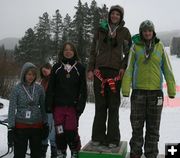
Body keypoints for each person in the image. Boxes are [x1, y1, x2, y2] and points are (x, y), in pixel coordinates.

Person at [122, 20, 176, 158]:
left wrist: (171, 89)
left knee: (153, 127)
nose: (147, 33)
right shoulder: (135, 47)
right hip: (138, 92)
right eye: (145, 30)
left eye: (150, 30)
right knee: (137, 126)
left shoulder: (160, 47)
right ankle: (135, 153)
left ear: (153, 32)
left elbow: (167, 69)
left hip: (156, 93)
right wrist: (126, 88)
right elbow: (129, 68)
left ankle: (151, 154)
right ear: (141, 32)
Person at [87, 5, 131, 148]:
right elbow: (93, 51)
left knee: (113, 107)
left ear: (121, 17)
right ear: (109, 15)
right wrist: (90, 68)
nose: (115, 16)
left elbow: (128, 53)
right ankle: (98, 137)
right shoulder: (101, 30)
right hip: (99, 72)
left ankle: (113, 139)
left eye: (118, 14)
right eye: (113, 13)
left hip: (115, 72)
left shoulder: (125, 32)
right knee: (100, 106)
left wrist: (123, 67)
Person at [46, 42, 87, 158]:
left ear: (74, 52)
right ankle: (61, 151)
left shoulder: (80, 68)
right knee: (60, 132)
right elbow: (51, 88)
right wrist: (49, 105)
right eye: (66, 50)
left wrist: (80, 106)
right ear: (62, 52)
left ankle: (75, 151)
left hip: (72, 107)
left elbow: (83, 90)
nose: (68, 52)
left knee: (71, 131)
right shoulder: (56, 67)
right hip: (58, 107)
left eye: (70, 50)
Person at [8, 62, 49, 158]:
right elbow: (11, 109)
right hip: (21, 126)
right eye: (29, 74)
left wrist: (45, 123)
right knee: (19, 154)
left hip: (36, 126)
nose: (31, 77)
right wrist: (11, 128)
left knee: (36, 154)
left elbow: (43, 108)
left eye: (34, 74)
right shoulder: (16, 89)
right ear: (24, 74)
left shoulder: (39, 89)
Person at [40, 63, 57, 158]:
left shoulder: (54, 79)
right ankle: (42, 153)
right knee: (44, 133)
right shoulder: (43, 81)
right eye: (43, 70)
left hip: (52, 110)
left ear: (50, 69)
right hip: (43, 110)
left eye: (46, 69)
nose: (45, 71)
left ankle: (54, 154)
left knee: (52, 133)